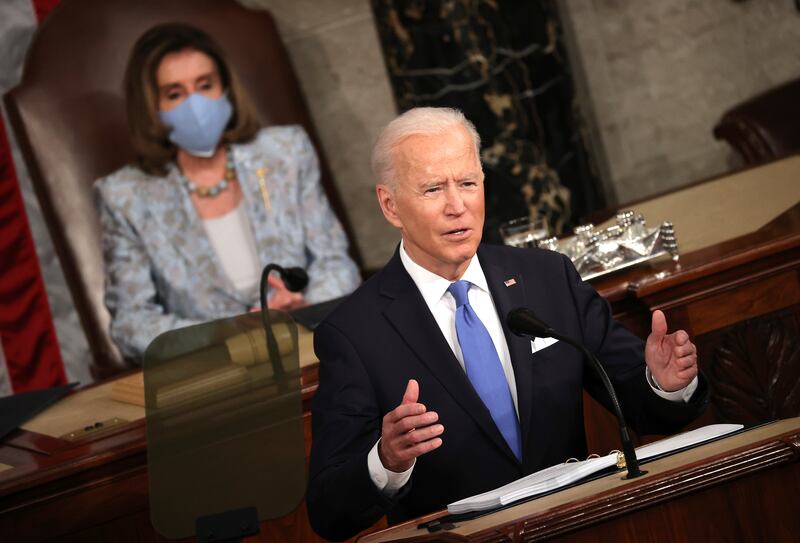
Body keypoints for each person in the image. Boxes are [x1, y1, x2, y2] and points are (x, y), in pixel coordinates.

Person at [306, 107, 708, 541]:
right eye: (432, 189)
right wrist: (386, 460)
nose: (456, 206)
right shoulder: (354, 333)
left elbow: (642, 401)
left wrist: (666, 383)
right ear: (390, 205)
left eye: (467, 183)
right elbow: (330, 511)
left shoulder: (548, 278)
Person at [95, 23, 360, 360]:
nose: (195, 104)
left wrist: (305, 306)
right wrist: (223, 333)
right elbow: (131, 325)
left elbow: (336, 264)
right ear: (152, 108)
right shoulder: (124, 196)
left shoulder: (286, 153)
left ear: (226, 90)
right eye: (175, 94)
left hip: (310, 347)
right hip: (216, 372)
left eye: (205, 85)